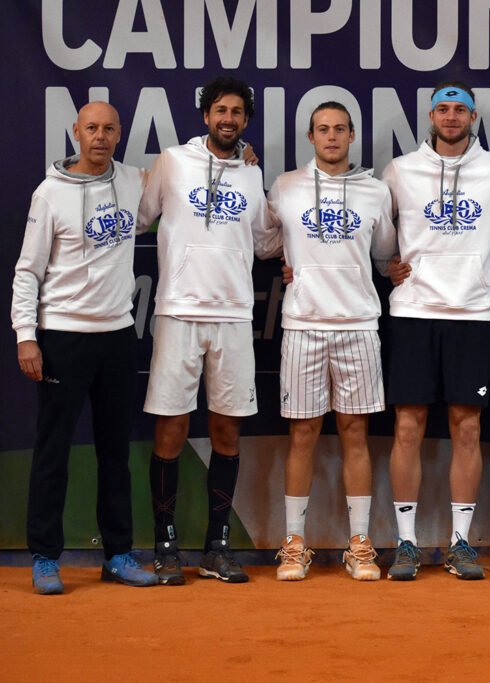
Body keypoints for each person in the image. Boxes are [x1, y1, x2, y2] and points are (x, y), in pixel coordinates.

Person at [12, 101, 158, 593]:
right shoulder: (49, 193)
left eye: (109, 129)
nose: (100, 136)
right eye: (91, 127)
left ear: (120, 134)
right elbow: (27, 271)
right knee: (53, 452)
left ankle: (118, 553)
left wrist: (240, 158)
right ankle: (45, 557)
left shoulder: (135, 181)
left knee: (115, 452)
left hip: (117, 337)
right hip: (62, 338)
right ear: (76, 132)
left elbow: (185, 177)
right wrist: (26, 336)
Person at [139, 76, 277, 585]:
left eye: (237, 112)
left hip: (235, 317)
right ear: (205, 115)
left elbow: (265, 242)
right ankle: (165, 545)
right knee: (171, 429)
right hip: (177, 312)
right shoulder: (173, 162)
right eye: (221, 110)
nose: (228, 119)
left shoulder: (250, 174)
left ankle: (217, 547)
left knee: (226, 429)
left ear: (245, 120)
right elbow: (137, 216)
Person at [382, 81, 490, 580]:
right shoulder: (400, 170)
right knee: (408, 428)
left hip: (472, 315)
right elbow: (369, 225)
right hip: (414, 313)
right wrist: (385, 265)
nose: (453, 117)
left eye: (461, 109)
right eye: (444, 109)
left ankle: (461, 544)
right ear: (431, 116)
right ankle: (407, 544)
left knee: (467, 428)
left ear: (474, 118)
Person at [266, 102, 397, 581]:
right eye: (323, 129)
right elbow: (263, 240)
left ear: (352, 134)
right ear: (310, 136)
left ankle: (359, 544)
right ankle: (294, 544)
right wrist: (288, 259)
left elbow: (385, 256)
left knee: (354, 433)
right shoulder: (285, 187)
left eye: (340, 129)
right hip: (302, 325)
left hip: (359, 325)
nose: (332, 136)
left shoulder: (374, 191)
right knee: (302, 435)